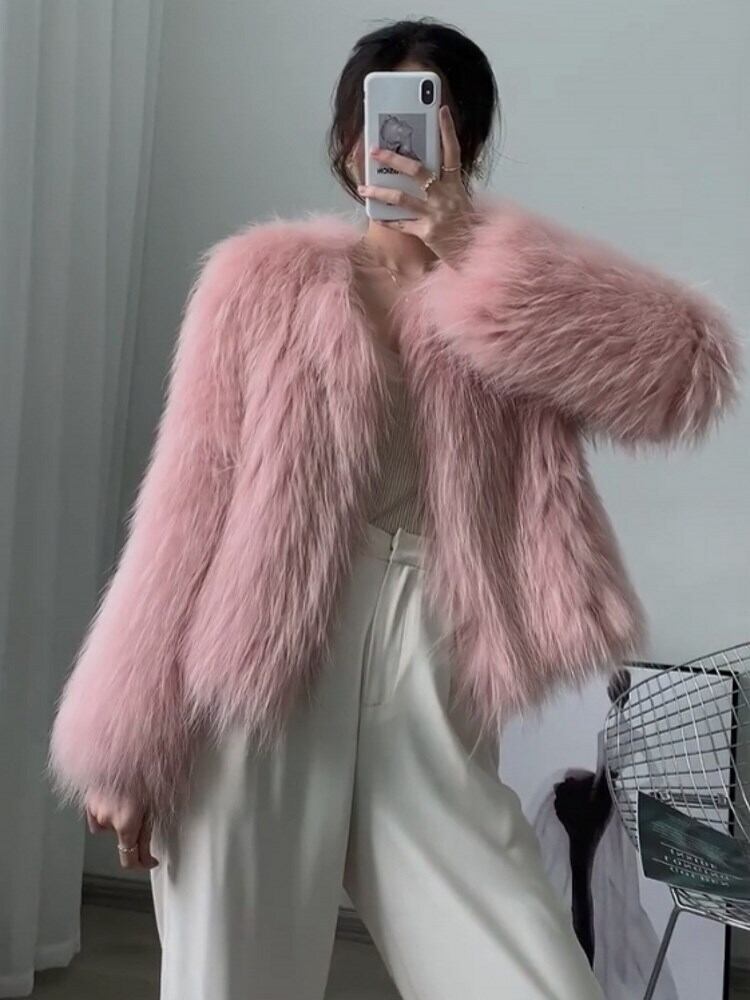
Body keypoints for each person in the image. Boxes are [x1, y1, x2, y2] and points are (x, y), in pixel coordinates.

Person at [45, 17, 742, 1000]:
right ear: (346, 141)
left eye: (435, 115)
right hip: (262, 661)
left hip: (431, 652)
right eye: (381, 118)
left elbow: (686, 372)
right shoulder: (259, 282)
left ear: (470, 142)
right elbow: (182, 512)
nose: (402, 140)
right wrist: (121, 740)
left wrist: (468, 242)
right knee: (229, 985)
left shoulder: (517, 305)